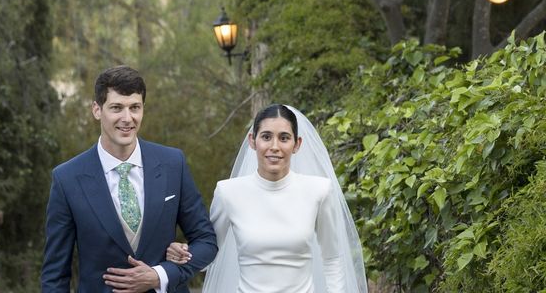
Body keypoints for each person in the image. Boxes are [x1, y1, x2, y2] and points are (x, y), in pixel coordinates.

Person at [41, 65, 218, 292]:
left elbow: (206, 241)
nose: (127, 118)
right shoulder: (67, 179)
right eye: (116, 108)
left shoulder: (173, 164)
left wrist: (159, 275)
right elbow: (55, 275)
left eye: (135, 107)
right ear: (97, 110)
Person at [167, 104, 367, 293]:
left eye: (284, 138)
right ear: (252, 141)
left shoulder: (319, 190)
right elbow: (210, 255)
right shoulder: (228, 192)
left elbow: (332, 259)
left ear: (297, 144)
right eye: (266, 137)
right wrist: (183, 253)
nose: (274, 146)